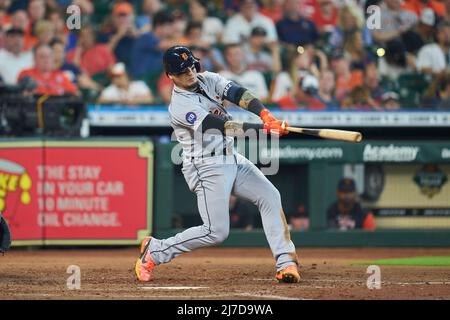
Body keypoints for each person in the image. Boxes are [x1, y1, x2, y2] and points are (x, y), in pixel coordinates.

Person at [134, 45, 300, 284]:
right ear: (170, 76)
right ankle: (155, 251)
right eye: (182, 71)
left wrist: (265, 115)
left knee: (270, 196)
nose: (190, 72)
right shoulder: (180, 106)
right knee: (216, 231)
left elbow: (237, 93)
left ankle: (286, 263)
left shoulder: (207, 79)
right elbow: (218, 126)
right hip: (205, 166)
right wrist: (263, 130)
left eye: (191, 66)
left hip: (230, 156)